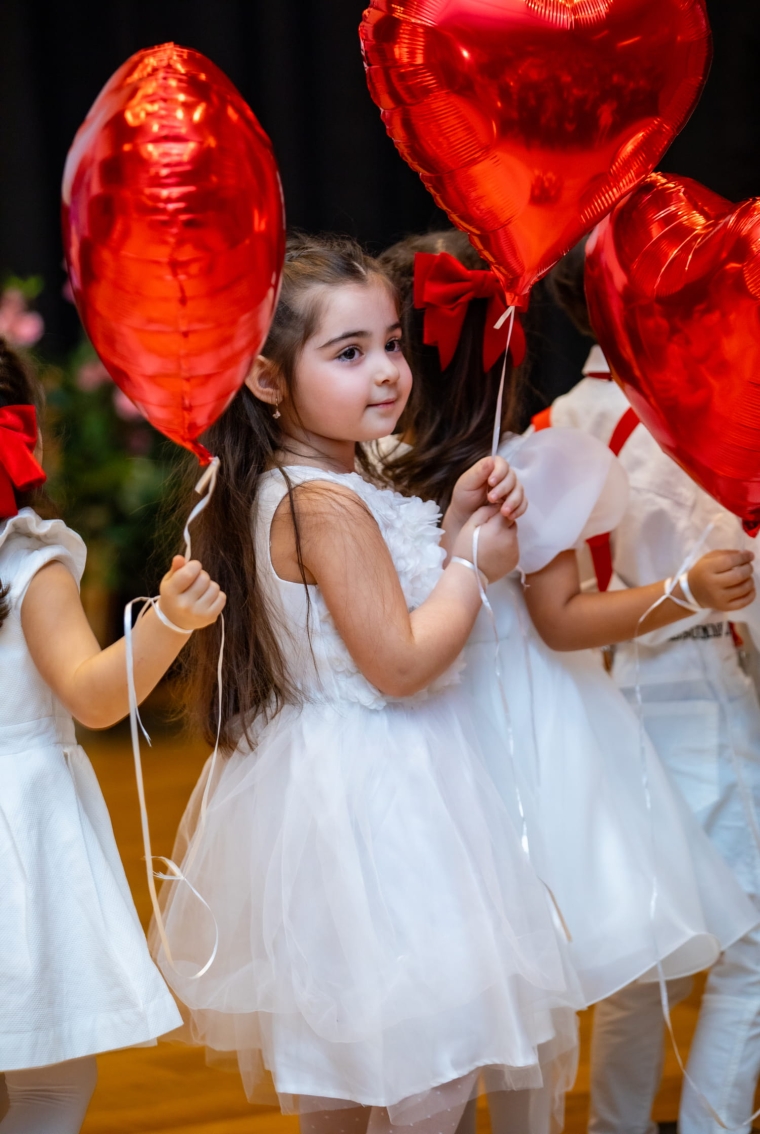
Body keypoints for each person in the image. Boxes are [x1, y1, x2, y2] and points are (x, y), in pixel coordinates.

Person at [152, 234, 583, 1134]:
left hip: (336, 791)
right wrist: (474, 565)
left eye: (392, 342)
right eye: (348, 353)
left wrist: (454, 523)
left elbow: (382, 607)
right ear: (269, 380)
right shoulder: (327, 503)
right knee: (421, 1070)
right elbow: (399, 662)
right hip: (383, 806)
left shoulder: (309, 481)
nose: (387, 371)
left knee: (355, 1069)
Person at [376, 230, 760, 1134]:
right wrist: (685, 591)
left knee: (496, 1003)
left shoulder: (541, 452)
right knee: (487, 1007)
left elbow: (551, 613)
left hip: (493, 733)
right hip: (502, 741)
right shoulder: (384, 480)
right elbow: (557, 617)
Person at [544, 241, 760, 1134]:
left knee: (649, 961)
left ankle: (618, 1126)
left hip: (603, 701)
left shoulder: (556, 421)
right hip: (702, 685)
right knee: (750, 953)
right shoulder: (692, 413)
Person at [0, 339, 226, 1134]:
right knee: (46, 1079)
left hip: (17, 839)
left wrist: (165, 623)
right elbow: (94, 702)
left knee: (40, 1073)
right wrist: (169, 622)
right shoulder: (28, 564)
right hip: (18, 836)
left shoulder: (27, 567)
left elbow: (95, 697)